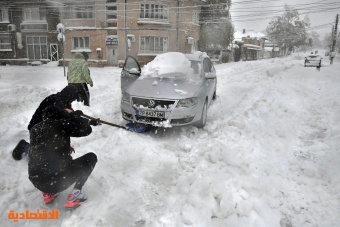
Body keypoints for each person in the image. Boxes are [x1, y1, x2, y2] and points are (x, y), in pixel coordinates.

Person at [28, 106, 99, 208]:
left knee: (45, 164)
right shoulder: (61, 124)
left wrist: (64, 146)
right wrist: (75, 117)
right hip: (58, 180)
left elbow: (44, 146)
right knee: (91, 157)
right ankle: (75, 195)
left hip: (37, 181)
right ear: (60, 116)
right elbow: (86, 130)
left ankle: (48, 194)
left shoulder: (35, 128)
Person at [12, 85, 80, 161]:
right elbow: (59, 124)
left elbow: (65, 124)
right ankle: (24, 146)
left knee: (56, 153)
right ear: (68, 96)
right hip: (37, 128)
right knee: (44, 159)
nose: (72, 102)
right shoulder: (54, 101)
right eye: (72, 99)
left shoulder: (65, 102)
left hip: (48, 129)